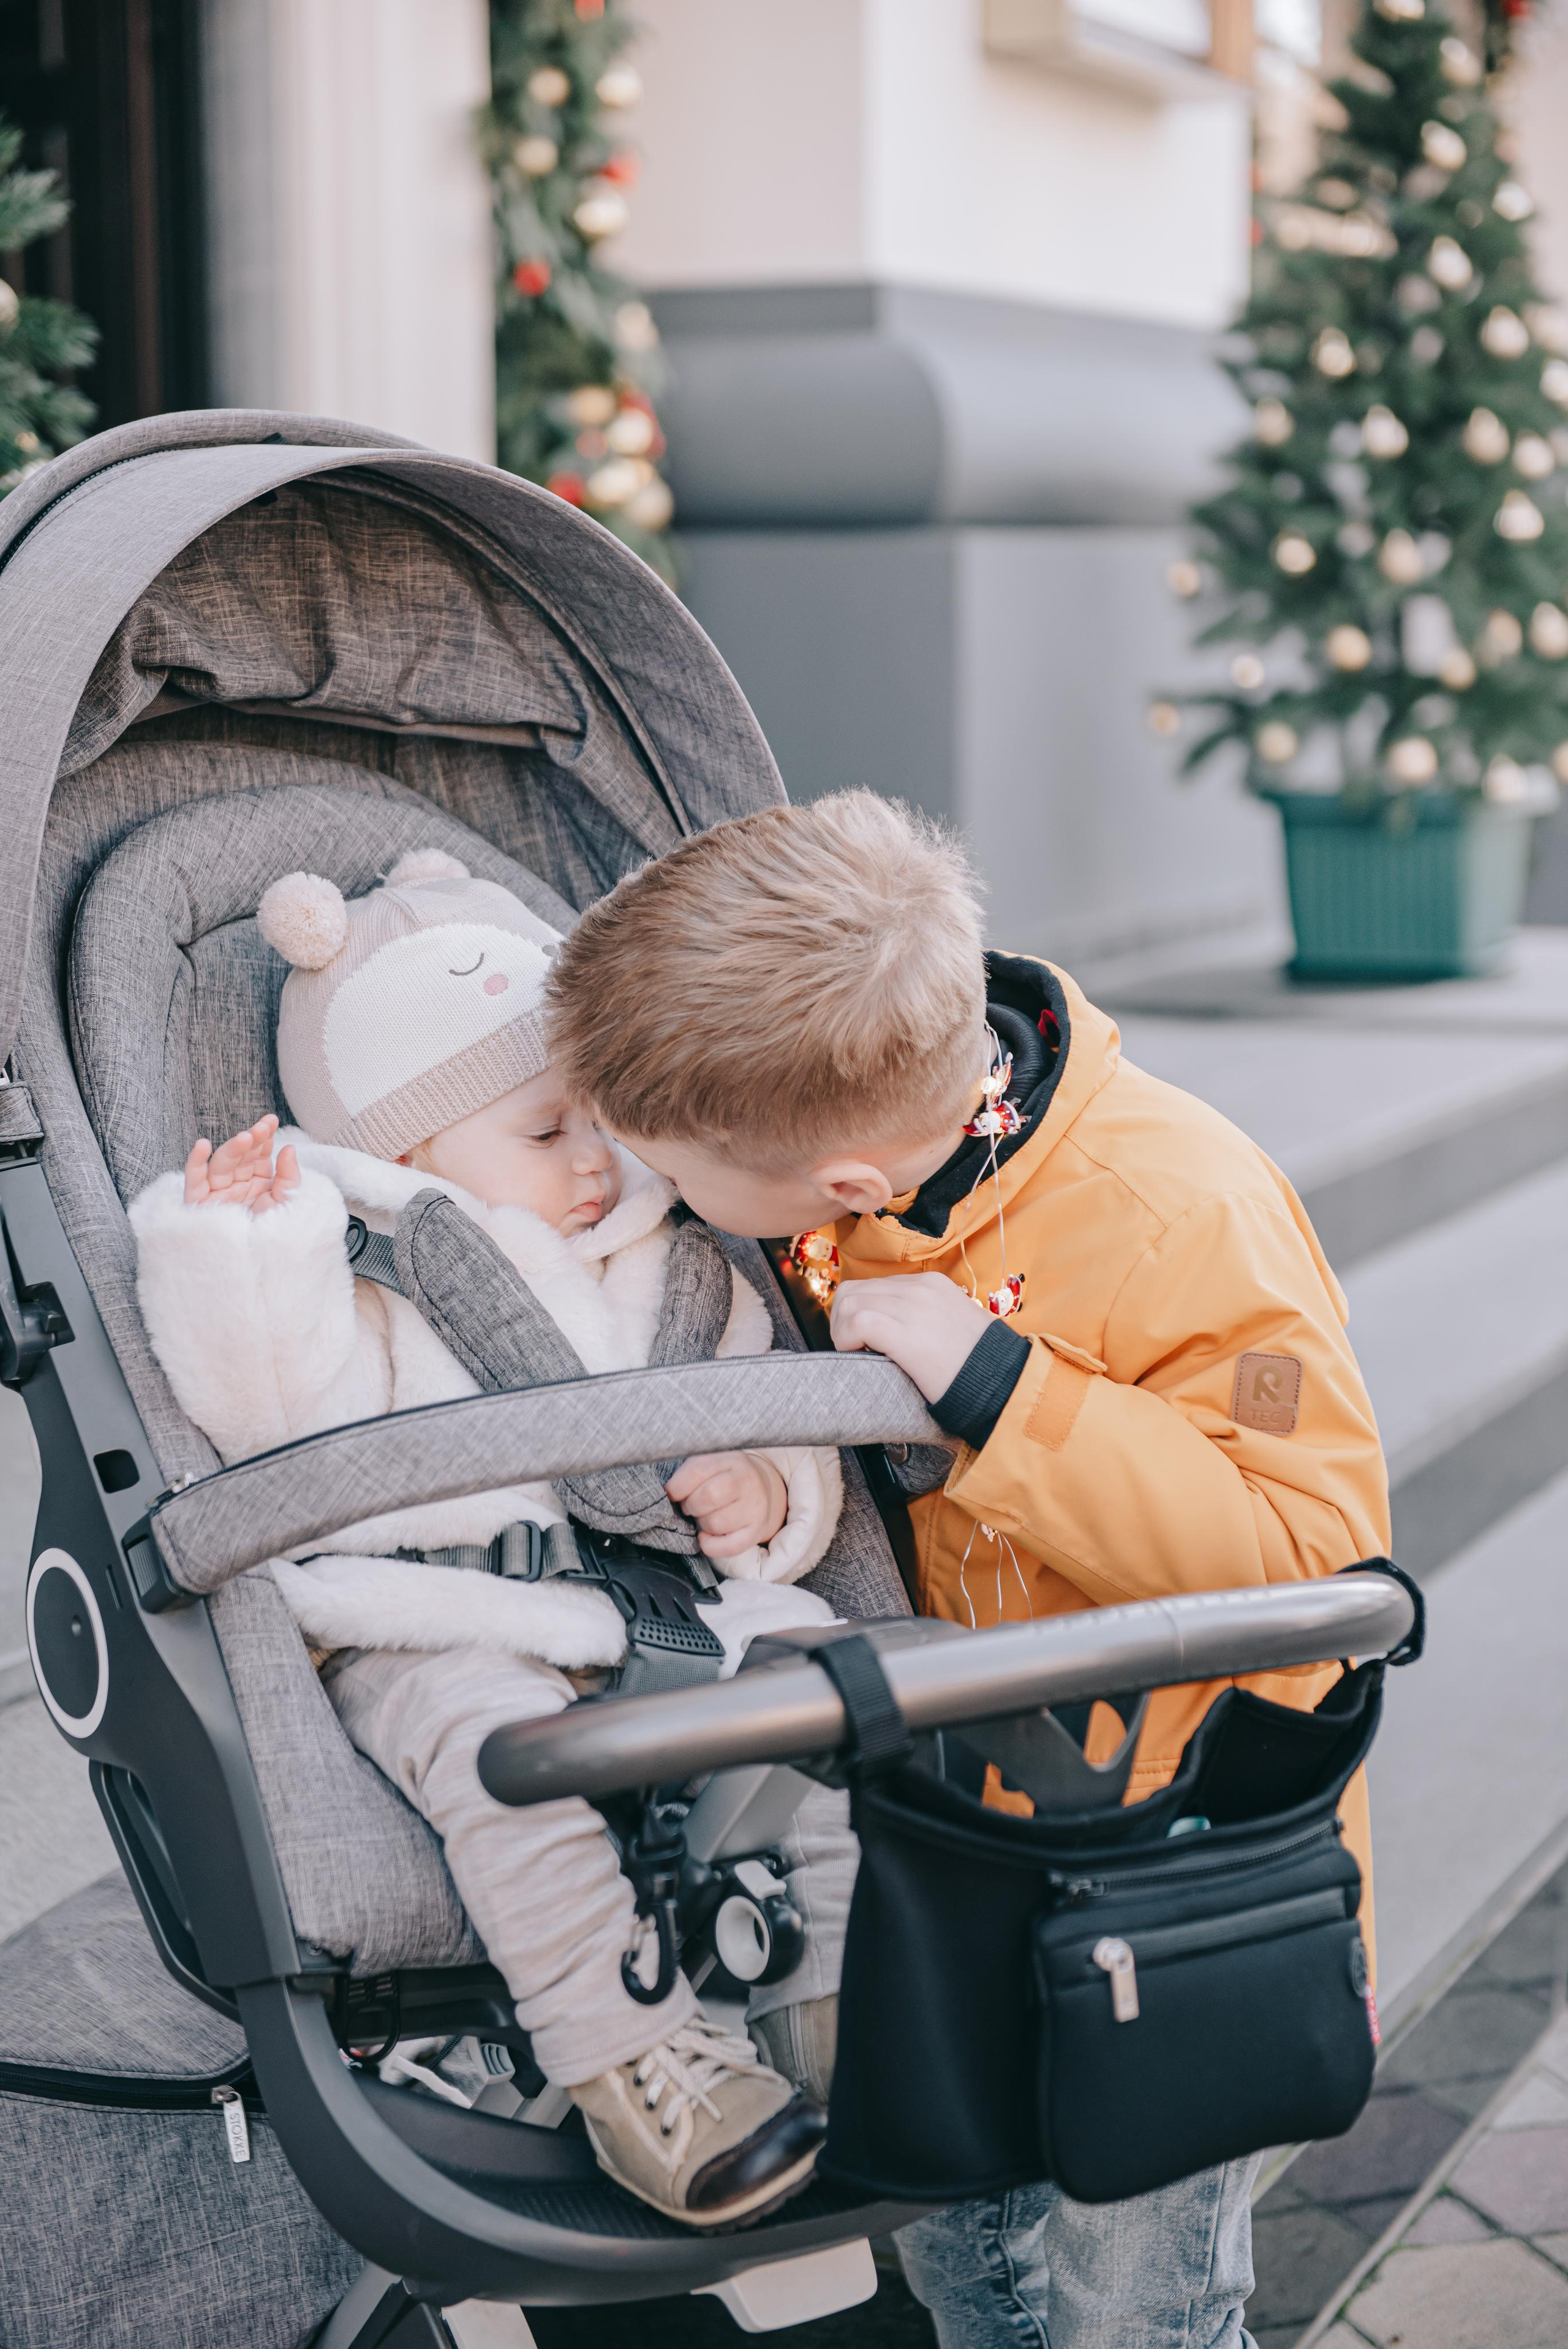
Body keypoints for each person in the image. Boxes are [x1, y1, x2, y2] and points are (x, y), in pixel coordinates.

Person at [545, 790, 1392, 2348]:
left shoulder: (1173, 1210)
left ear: (847, 1186)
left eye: (660, 1163)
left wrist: (1006, 1389)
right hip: (950, 1833)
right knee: (959, 2255)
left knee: (1129, 2292)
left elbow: (1313, 1566)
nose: (623, 1177)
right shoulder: (854, 1132)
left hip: (1167, 1850)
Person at [127, 847, 850, 2230]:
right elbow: (261, 1409)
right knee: (497, 1759)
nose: (593, 1162)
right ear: (402, 1154)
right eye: (542, 1132)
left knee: (833, 1690)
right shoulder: (371, 1274)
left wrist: (768, 1488)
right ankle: (636, 2065)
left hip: (671, 1610)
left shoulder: (669, 1265)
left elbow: (766, 1401)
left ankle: (840, 2006)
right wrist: (243, 1258)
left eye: (601, 1121)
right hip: (443, 1626)